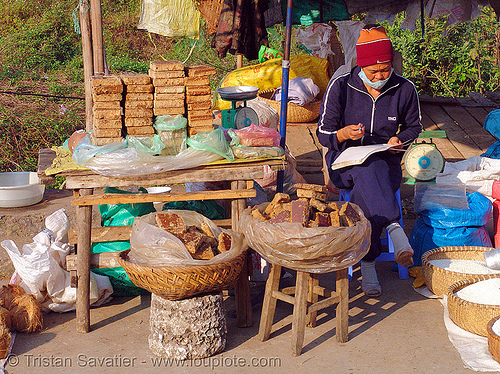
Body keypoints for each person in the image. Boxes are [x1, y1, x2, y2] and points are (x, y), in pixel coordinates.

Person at [317, 25, 422, 297]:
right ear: (361, 65)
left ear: (392, 64)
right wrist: (342, 133)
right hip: (343, 162)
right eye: (373, 71)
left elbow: (414, 127)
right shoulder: (340, 87)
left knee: (371, 173)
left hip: (385, 161)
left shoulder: (404, 89)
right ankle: (395, 228)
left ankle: (368, 263)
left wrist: (399, 141)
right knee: (367, 167)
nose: (379, 76)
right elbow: (323, 133)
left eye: (385, 69)